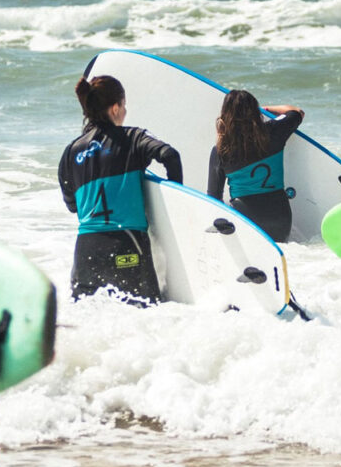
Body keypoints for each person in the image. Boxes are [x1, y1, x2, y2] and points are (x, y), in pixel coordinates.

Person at [58, 75, 182, 305]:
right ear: (115, 108)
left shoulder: (71, 151)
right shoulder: (132, 138)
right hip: (126, 244)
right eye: (124, 106)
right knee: (146, 317)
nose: (125, 112)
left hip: (86, 251)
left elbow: (72, 205)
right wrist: (176, 204)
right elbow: (169, 155)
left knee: (87, 319)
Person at [207, 89, 304, 243]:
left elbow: (213, 198)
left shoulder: (221, 150)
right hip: (282, 220)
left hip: (248, 223)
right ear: (255, 112)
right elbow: (296, 111)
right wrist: (265, 109)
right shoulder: (274, 131)